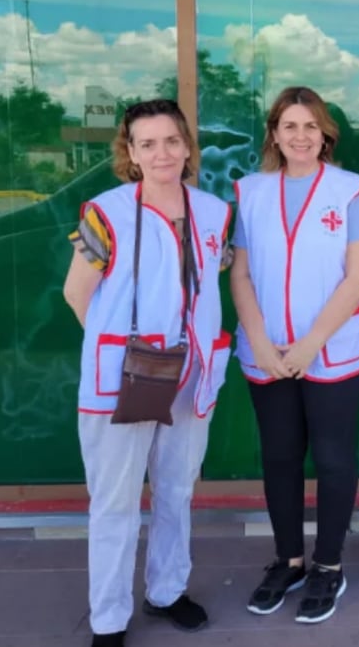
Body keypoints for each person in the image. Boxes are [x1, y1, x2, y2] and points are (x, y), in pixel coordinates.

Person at [63, 99, 233, 647]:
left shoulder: (213, 211)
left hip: (191, 374)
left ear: (187, 146)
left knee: (176, 489)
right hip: (126, 379)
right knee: (114, 502)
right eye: (147, 144)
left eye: (171, 141)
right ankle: (108, 619)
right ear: (130, 153)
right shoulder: (105, 212)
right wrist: (121, 353)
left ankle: (166, 591)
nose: (162, 153)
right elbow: (76, 294)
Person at [231, 86, 359, 624]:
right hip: (267, 354)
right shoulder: (248, 192)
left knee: (336, 460)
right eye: (289, 126)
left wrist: (311, 343)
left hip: (332, 350)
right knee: (280, 458)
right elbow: (241, 274)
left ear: (326, 134)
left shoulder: (353, 191)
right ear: (274, 134)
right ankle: (289, 559)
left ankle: (329, 566)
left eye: (310, 126)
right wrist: (265, 344)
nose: (300, 136)